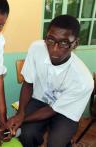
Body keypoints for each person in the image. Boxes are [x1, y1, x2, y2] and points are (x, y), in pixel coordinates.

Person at [7, 15, 94, 147]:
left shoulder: (83, 80)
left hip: (66, 111)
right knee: (27, 134)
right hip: (39, 100)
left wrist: (22, 119)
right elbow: (28, 83)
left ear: (75, 43)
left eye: (64, 43)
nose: (54, 49)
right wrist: (20, 113)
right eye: (51, 40)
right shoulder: (37, 48)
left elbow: (53, 110)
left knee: (56, 143)